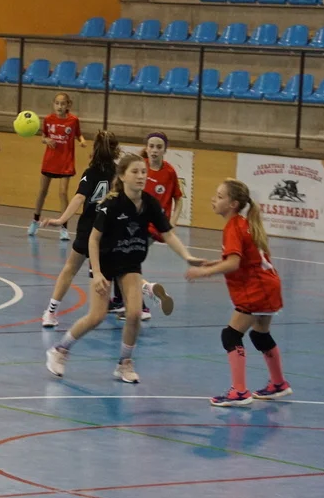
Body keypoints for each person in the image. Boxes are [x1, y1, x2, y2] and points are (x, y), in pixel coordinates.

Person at [45, 154, 201, 384]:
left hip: (130, 262)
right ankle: (60, 350)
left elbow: (167, 234)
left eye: (143, 172)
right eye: (135, 172)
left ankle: (124, 363)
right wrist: (98, 273)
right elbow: (93, 240)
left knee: (135, 314)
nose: (141, 176)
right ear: (122, 176)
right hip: (105, 262)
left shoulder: (149, 204)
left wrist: (187, 256)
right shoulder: (111, 205)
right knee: (96, 316)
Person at [186, 179, 292, 407]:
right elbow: (242, 259)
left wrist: (204, 272)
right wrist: (215, 263)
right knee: (260, 335)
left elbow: (234, 263)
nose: (214, 199)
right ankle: (278, 384)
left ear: (233, 204)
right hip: (268, 285)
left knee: (231, 336)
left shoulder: (234, 226)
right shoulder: (244, 223)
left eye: (220, 196)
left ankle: (240, 391)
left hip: (256, 289)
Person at [39, 129, 119, 329]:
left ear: (95, 149)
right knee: (116, 269)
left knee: (70, 269)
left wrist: (61, 219)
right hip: (107, 229)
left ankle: (50, 312)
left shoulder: (90, 173)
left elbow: (79, 197)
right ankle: (136, 297)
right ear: (115, 150)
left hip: (89, 227)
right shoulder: (119, 173)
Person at [110, 131, 183, 321]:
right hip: (133, 222)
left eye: (159, 147)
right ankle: (121, 300)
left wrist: (172, 222)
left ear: (165, 150)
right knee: (119, 259)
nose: (154, 150)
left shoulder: (169, 172)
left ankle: (142, 301)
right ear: (147, 148)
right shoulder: (140, 167)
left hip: (151, 227)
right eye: (151, 146)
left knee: (125, 263)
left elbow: (178, 199)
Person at [28, 92, 85, 241]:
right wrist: (47, 140)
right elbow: (43, 137)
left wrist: (82, 141)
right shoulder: (48, 119)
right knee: (42, 191)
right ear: (53, 104)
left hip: (66, 162)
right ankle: (35, 220)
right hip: (50, 161)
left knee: (63, 193)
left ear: (68, 105)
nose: (60, 106)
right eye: (57, 103)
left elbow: (78, 134)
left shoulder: (73, 120)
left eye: (63, 104)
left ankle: (64, 228)